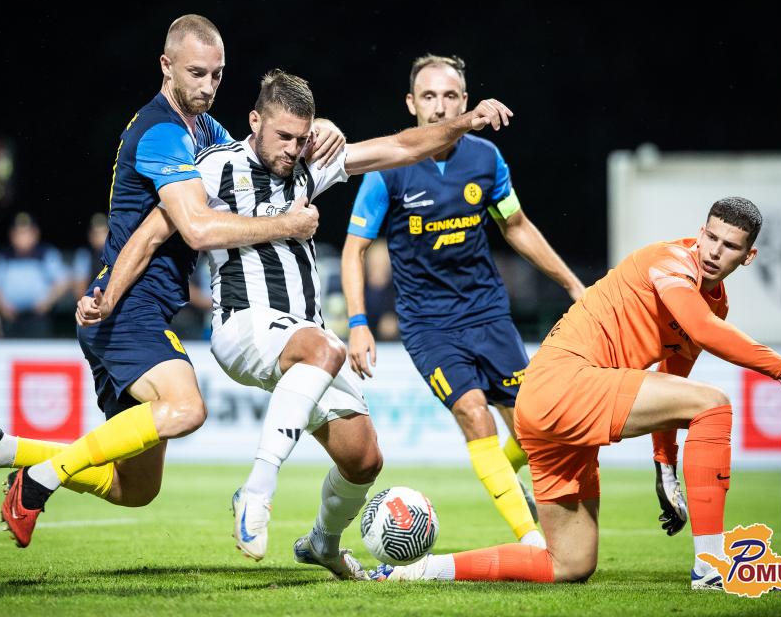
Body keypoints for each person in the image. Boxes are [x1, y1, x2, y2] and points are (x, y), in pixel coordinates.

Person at [78, 69, 514, 578]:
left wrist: (464, 123)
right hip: (244, 323)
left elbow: (400, 147)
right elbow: (153, 233)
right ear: (254, 121)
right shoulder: (214, 166)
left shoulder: (309, 165)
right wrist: (108, 295)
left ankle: (322, 544)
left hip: (303, 335)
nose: (292, 148)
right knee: (324, 348)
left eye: (301, 137)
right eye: (283, 136)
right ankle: (256, 493)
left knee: (364, 459)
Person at [0, 15, 340, 546]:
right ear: (166, 66)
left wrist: (320, 129)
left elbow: (255, 148)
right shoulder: (161, 132)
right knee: (187, 408)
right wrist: (287, 224)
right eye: (196, 73)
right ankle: (38, 480)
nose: (208, 86)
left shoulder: (204, 131)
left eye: (217, 74)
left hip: (132, 307)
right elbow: (192, 229)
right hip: (128, 307)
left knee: (135, 489)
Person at [371, 197, 781, 591]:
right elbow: (701, 331)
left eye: (729, 246)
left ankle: (423, 570)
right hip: (566, 383)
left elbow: (674, 376)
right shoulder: (671, 263)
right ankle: (711, 567)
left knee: (569, 564)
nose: (714, 251)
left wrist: (665, 465)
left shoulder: (714, 305)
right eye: (711, 237)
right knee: (715, 404)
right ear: (700, 232)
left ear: (748, 256)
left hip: (550, 402)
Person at [341, 54, 585, 547]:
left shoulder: (486, 159)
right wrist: (359, 322)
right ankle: (531, 540)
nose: (439, 106)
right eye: (428, 96)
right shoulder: (389, 168)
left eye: (450, 96)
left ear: (465, 102)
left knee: (533, 430)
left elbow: (516, 226)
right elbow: (354, 249)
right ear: (411, 103)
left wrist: (572, 284)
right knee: (473, 412)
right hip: (428, 324)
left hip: (488, 313)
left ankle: (502, 474)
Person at [0, 212, 70, 338]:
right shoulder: (3, 256)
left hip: (38, 318)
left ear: (35, 234)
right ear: (12, 235)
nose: (22, 238)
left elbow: (64, 282)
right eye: (19, 233)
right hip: (10, 319)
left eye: (26, 233)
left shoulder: (46, 254)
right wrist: (2, 305)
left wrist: (47, 302)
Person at [71, 213, 110, 298]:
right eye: (96, 234)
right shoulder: (83, 256)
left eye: (103, 232)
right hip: (91, 301)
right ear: (90, 236)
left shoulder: (117, 255)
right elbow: (79, 290)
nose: (100, 237)